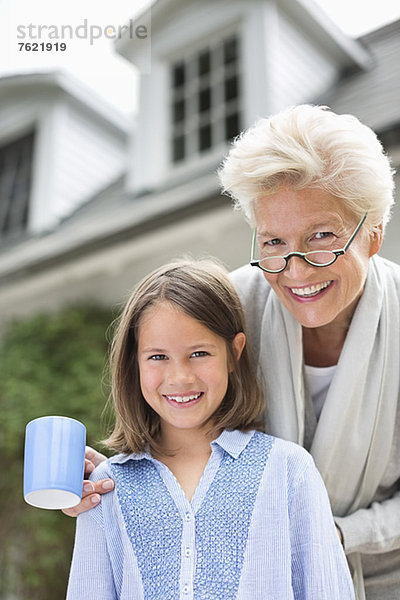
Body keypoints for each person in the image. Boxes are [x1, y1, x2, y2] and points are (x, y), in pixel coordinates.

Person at [67, 105, 400, 600]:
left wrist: (332, 535)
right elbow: (179, 419)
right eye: (273, 242)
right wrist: (103, 483)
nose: (297, 270)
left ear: (372, 236)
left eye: (322, 237)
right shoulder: (229, 310)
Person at [66, 259, 354, 599]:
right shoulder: (106, 489)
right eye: (158, 357)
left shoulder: (288, 470)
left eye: (199, 353)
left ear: (234, 354)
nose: (180, 377)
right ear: (134, 362)